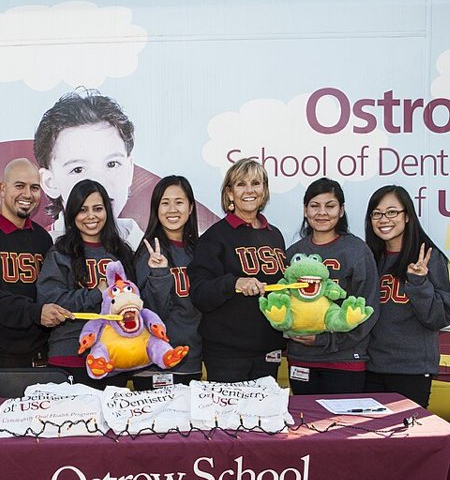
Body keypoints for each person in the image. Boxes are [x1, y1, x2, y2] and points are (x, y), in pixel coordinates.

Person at [0, 158, 73, 399]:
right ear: (2, 188)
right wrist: (35, 313)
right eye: (19, 186)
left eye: (34, 188)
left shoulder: (42, 239)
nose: (27, 194)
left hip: (36, 360)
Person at [188, 158, 287, 383]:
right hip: (227, 355)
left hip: (269, 351)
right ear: (230, 193)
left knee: (266, 417)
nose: (249, 190)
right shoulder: (215, 237)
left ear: (265, 191)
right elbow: (199, 293)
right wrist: (234, 283)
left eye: (256, 183)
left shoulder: (275, 235)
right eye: (241, 184)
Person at [283, 177, 379, 395]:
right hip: (302, 359)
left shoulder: (357, 251)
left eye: (330, 206)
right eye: (315, 206)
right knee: (305, 424)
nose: (322, 213)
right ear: (305, 210)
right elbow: (285, 302)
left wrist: (327, 340)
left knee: (342, 426)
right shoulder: (294, 253)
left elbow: (369, 309)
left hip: (344, 360)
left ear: (342, 210)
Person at [36, 178, 135, 387]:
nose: (91, 216)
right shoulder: (60, 253)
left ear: (107, 212)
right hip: (70, 357)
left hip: (114, 359)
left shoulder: (122, 252)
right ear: (72, 214)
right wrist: (96, 293)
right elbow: (51, 302)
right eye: (82, 210)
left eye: (97, 208)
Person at [363, 184, 450, 407]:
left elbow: (440, 317)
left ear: (407, 217)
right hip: (371, 369)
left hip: (412, 371)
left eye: (392, 212)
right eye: (377, 214)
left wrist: (418, 282)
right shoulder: (369, 258)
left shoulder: (428, 258)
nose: (384, 219)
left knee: (406, 439)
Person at [33, 90, 145, 250]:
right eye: (78, 169)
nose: (98, 184)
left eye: (112, 164)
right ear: (49, 182)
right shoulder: (40, 250)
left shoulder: (153, 249)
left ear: (129, 171)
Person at [134, 174, 202, 388]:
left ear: (190, 208)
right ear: (155, 209)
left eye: (179, 202)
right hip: (152, 364)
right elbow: (152, 313)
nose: (172, 209)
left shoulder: (199, 252)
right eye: (165, 203)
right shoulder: (148, 253)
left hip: (190, 362)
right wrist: (160, 274)